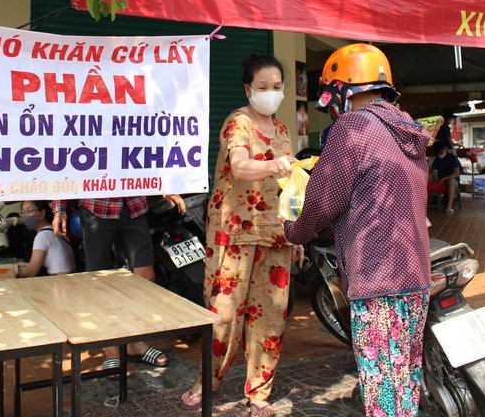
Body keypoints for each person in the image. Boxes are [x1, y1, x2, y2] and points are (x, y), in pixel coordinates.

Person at [284, 43, 431, 417]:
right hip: (416, 275)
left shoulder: (352, 128)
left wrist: (294, 231)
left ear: (342, 90)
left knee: (382, 388)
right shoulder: (408, 130)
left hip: (377, 277)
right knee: (404, 379)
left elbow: (322, 201)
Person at [180, 54, 297, 417]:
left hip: (275, 234)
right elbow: (240, 166)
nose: (270, 92)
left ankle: (259, 392)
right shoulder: (238, 122)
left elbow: (292, 187)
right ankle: (207, 381)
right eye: (263, 86)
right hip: (233, 232)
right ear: (249, 89)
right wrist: (274, 164)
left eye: (276, 87)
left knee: (271, 318)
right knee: (224, 315)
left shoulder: (283, 130)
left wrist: (297, 234)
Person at [51, 193, 186, 374]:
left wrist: (165, 187)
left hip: (133, 204)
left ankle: (134, 342)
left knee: (145, 277)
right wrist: (59, 209)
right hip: (97, 207)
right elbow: (63, 174)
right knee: (98, 282)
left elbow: (154, 170)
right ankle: (111, 349)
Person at [16, 200, 75, 278]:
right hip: (69, 277)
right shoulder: (56, 230)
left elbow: (31, 272)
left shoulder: (43, 236)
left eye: (29, 210)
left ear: (42, 213)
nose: (25, 216)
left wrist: (11, 275)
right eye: (23, 212)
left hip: (59, 280)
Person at [430, 140, 462, 214]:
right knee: (426, 178)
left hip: (452, 180)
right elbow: (431, 170)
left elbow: (457, 173)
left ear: (444, 149)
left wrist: (444, 178)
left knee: (451, 181)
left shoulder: (452, 158)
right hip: (441, 179)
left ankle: (449, 207)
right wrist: (433, 175)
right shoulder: (437, 158)